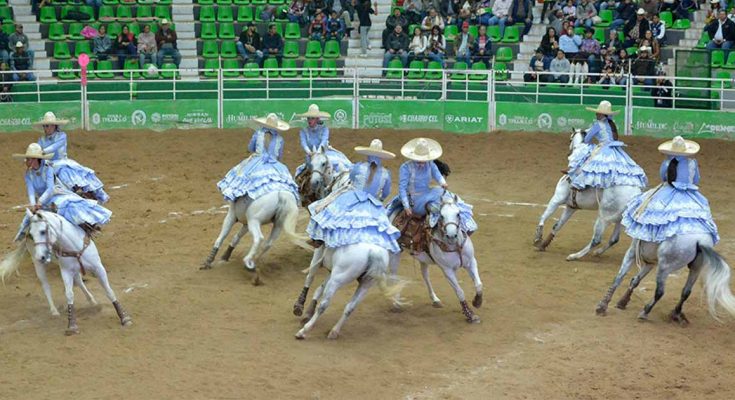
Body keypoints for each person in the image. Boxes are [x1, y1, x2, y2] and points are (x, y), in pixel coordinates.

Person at [306, 139, 400, 251]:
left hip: (352, 198)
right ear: (381, 157)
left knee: (328, 212)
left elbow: (351, 179)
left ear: (368, 154)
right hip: (372, 202)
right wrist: (378, 199)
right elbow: (386, 193)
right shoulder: (386, 173)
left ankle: (320, 241)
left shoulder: (359, 166)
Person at [622, 136, 719, 245]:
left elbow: (663, 177)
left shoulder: (667, 162)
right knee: (700, 212)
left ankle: (653, 238)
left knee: (651, 207)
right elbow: (696, 180)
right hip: (689, 192)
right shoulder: (692, 162)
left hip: (669, 190)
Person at [12, 143, 112, 242]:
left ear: (35, 159)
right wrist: (33, 204)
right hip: (41, 201)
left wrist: (40, 202)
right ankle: (24, 239)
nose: (26, 161)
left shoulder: (48, 169)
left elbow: (50, 189)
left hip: (56, 195)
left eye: (29, 159)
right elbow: (30, 191)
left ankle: (87, 227)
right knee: (27, 220)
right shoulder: (28, 174)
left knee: (69, 206)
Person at [387, 138, 476, 238]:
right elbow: (402, 188)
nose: (422, 162)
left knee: (450, 199)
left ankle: (465, 225)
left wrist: (443, 183)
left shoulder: (430, 164)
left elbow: (438, 175)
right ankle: (436, 230)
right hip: (414, 198)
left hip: (428, 193)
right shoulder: (406, 167)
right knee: (438, 208)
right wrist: (407, 206)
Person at [217, 113, 299, 204]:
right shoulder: (280, 139)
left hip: (257, 161)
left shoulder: (258, 134)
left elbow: (250, 148)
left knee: (242, 175)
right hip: (274, 163)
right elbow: (279, 156)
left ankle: (239, 201)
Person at [565, 101, 648, 190]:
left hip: (604, 148)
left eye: (598, 113)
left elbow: (586, 139)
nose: (596, 114)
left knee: (588, 163)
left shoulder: (597, 125)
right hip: (615, 149)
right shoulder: (611, 124)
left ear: (601, 114)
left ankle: (580, 182)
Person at [35, 112, 109, 203]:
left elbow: (54, 147)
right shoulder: (41, 140)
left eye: (47, 126)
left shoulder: (61, 136)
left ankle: (79, 190)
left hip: (61, 163)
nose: (45, 128)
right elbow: (36, 150)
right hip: (48, 165)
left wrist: (42, 152)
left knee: (65, 173)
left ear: (54, 126)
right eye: (44, 126)